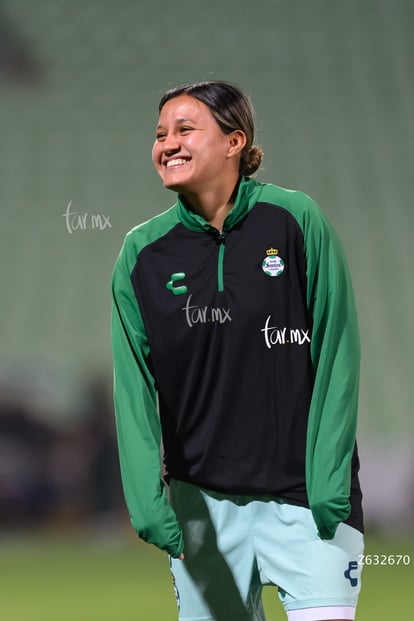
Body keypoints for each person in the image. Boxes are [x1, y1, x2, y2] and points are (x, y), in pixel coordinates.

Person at [111, 80, 364, 621]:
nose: (167, 144)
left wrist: (328, 487)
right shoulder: (141, 254)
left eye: (185, 130)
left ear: (234, 142)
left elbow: (337, 352)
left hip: (307, 502)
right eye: (160, 134)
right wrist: (148, 503)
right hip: (201, 509)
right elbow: (133, 386)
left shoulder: (296, 221)